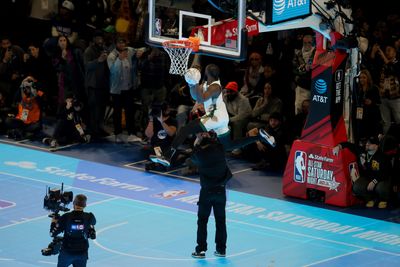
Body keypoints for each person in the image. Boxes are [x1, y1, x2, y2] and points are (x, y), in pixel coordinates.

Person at [150, 64, 275, 167]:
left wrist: (194, 83)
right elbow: (195, 96)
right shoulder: (206, 83)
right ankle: (259, 137)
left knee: (185, 129)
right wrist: (191, 83)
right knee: (228, 146)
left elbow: (202, 97)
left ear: (207, 72)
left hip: (215, 116)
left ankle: (167, 156)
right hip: (220, 117)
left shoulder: (215, 87)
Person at [190, 130, 232, 259]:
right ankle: (221, 249)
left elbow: (193, 154)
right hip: (221, 191)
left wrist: (197, 140)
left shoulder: (200, 154)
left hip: (206, 193)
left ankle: (201, 250)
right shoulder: (220, 149)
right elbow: (218, 141)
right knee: (221, 221)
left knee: (202, 221)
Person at [333, 136, 392, 208]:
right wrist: (339, 146)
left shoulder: (383, 157)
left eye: (370, 143)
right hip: (367, 178)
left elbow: (386, 173)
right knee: (357, 187)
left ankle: (383, 199)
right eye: (367, 142)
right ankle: (371, 199)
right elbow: (349, 145)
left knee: (380, 188)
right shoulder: (362, 151)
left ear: (376, 146)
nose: (367, 144)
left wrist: (374, 181)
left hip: (381, 179)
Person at [50, 194, 96, 267]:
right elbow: (93, 224)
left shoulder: (65, 217)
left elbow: (52, 234)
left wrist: (53, 221)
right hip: (82, 253)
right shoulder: (90, 217)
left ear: (74, 203)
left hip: (67, 252)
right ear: (85, 205)